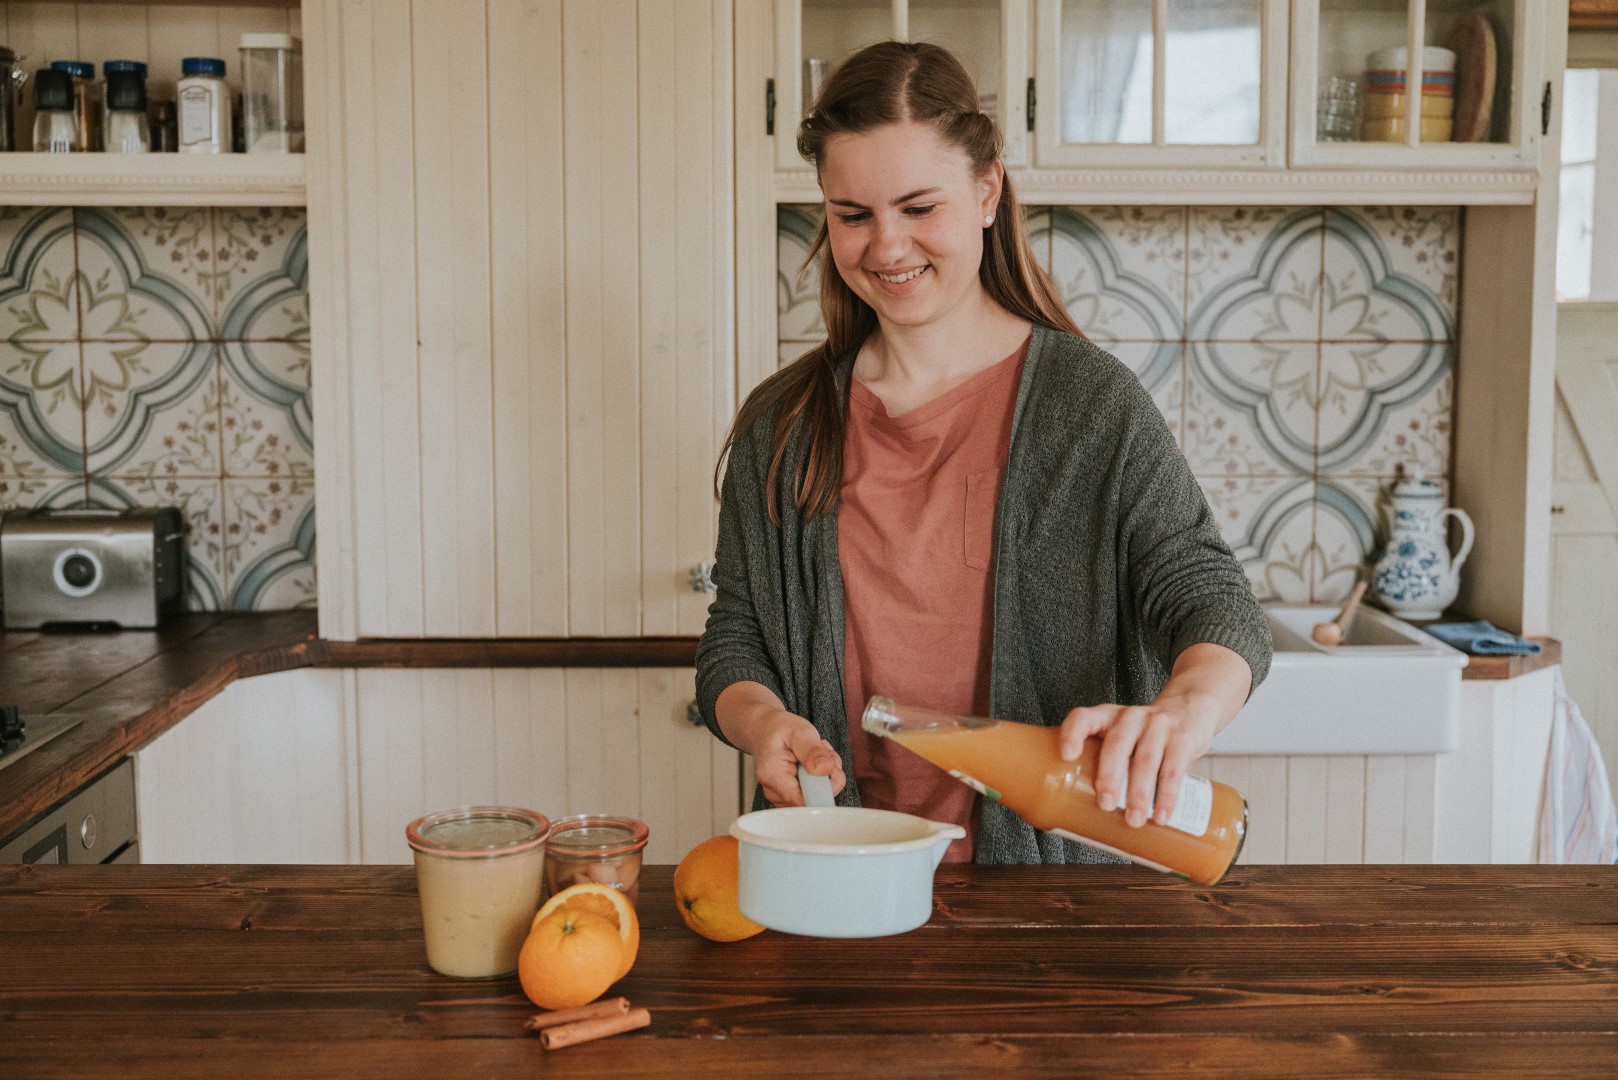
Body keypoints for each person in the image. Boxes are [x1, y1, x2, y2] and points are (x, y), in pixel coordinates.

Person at [695, 40, 1271, 865]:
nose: (886, 247)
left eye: (918, 207)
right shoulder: (785, 423)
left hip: (1044, 899)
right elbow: (736, 637)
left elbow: (1209, 594)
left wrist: (1183, 709)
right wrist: (765, 724)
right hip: (835, 869)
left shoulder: (1090, 404)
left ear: (987, 191)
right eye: (853, 215)